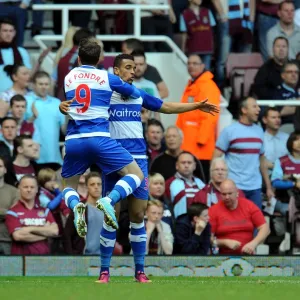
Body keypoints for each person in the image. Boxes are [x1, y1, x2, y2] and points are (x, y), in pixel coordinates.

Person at [60, 53, 218, 283]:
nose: (133, 71)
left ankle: (140, 271)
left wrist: (195, 106)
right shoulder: (104, 93)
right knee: (110, 215)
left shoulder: (138, 95)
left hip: (138, 159)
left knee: (137, 215)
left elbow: (166, 106)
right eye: (127, 67)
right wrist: (63, 105)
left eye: (134, 67)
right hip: (113, 159)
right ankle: (104, 271)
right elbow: (77, 105)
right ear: (115, 71)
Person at [213, 97, 274, 209]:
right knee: (236, 223)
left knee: (256, 224)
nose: (259, 109)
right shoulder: (229, 131)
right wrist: (215, 182)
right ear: (244, 110)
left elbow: (262, 160)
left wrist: (268, 187)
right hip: (234, 187)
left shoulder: (259, 131)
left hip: (255, 187)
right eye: (254, 107)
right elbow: (215, 157)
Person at [209, 179, 270, 255]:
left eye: (230, 193)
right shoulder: (214, 210)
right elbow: (208, 238)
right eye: (224, 194)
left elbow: (265, 228)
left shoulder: (249, 205)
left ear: (237, 193)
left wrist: (253, 244)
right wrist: (224, 242)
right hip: (223, 256)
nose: (227, 197)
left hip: (247, 254)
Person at [5, 175, 59, 255]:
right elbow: (18, 236)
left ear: (37, 189)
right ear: (19, 188)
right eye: (25, 187)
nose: (29, 190)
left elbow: (55, 231)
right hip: (21, 260)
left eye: (32, 187)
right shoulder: (12, 212)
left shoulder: (45, 211)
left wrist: (29, 229)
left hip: (44, 258)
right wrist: (45, 234)